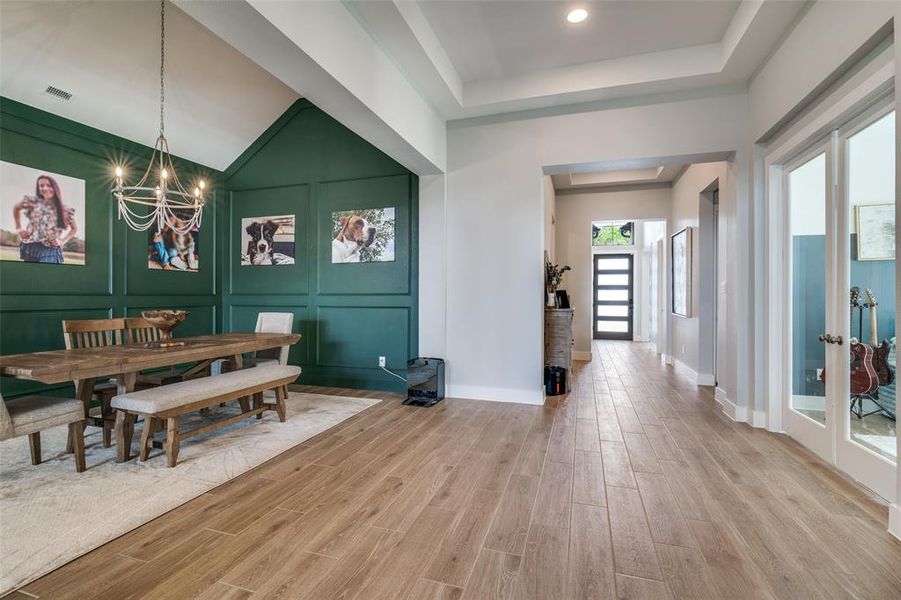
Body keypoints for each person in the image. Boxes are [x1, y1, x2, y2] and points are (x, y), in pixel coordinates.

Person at [12, 175, 77, 264]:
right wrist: (19, 228)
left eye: (49, 185)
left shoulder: (64, 210)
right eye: (41, 186)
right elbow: (16, 208)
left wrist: (62, 241)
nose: (45, 188)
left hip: (50, 250)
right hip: (31, 247)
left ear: (55, 187)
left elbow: (74, 229)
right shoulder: (33, 201)